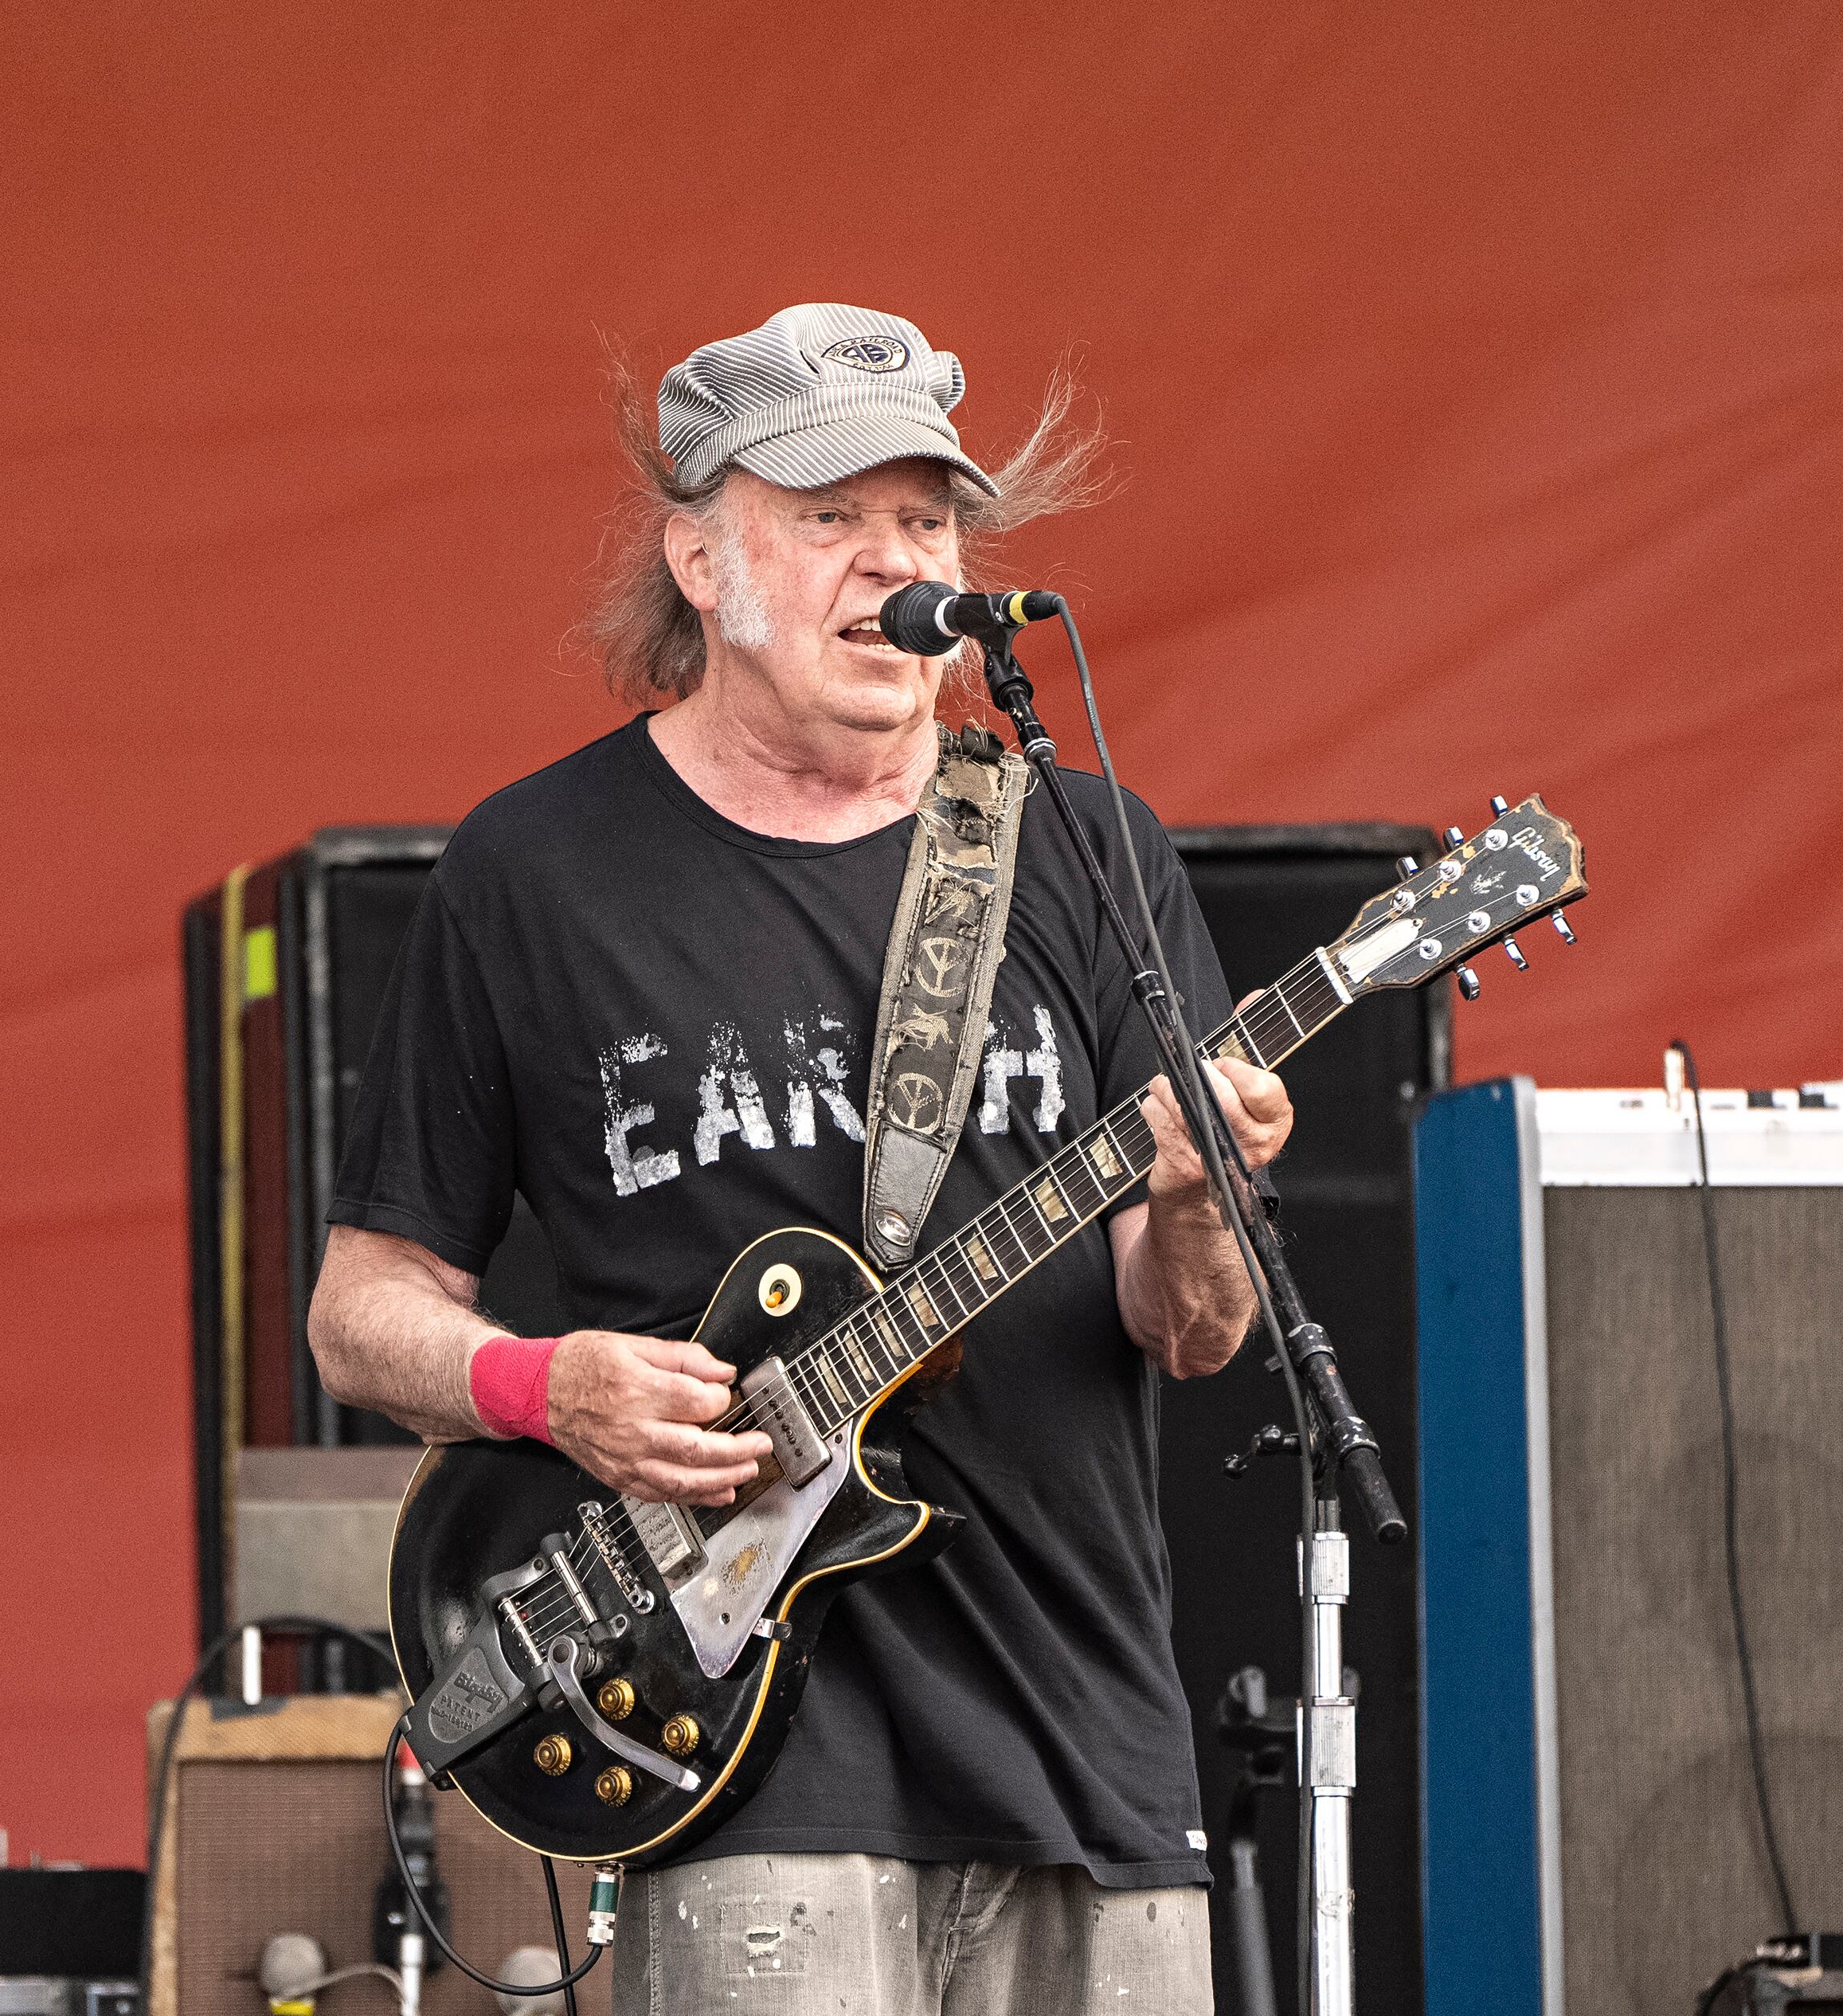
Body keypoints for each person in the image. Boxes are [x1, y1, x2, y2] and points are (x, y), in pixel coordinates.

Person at [307, 303, 1292, 2016]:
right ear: (701, 554)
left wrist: (1204, 1207)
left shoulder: (1080, 848)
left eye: (925, 521)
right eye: (831, 517)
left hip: (1090, 1737)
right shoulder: (536, 873)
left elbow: (1193, 1329)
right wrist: (550, 1390)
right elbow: (359, 1311)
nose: (891, 564)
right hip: (750, 1744)